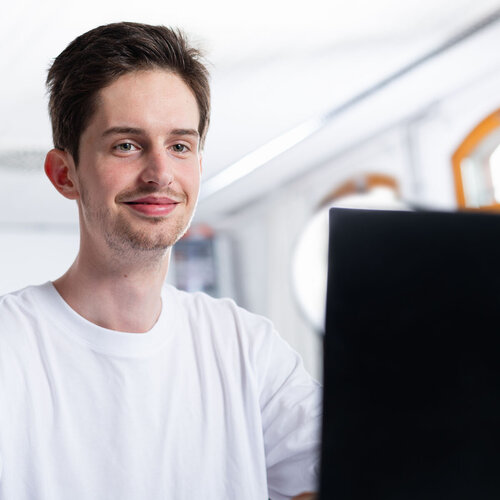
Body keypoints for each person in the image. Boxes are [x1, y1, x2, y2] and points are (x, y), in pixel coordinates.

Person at [0, 22, 320, 500]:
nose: (160, 174)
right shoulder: (11, 351)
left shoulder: (246, 349)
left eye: (179, 146)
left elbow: (348, 474)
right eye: (126, 144)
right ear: (64, 174)